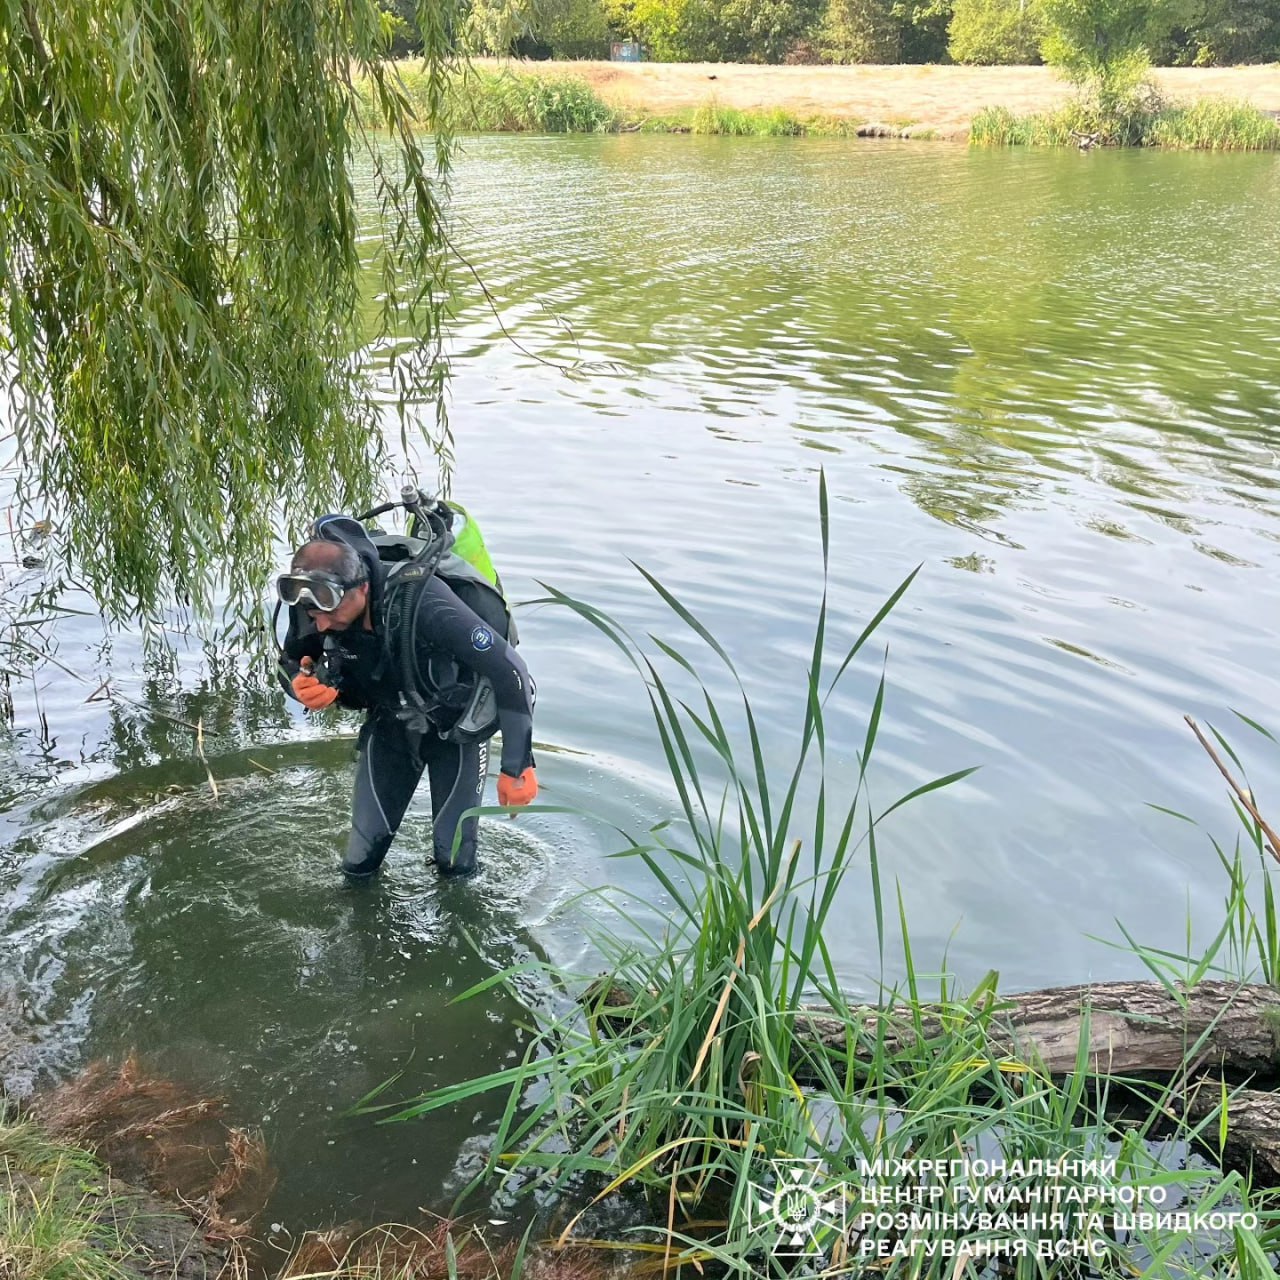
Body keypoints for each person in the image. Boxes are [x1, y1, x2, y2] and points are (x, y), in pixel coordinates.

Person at [276, 513, 537, 879]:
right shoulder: (314, 605)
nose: (319, 625)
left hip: (455, 733)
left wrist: (517, 765)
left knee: (456, 867)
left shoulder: (424, 602)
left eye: (329, 612)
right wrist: (300, 684)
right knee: (358, 866)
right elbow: (290, 661)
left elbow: (511, 671)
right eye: (310, 613)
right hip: (390, 726)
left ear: (362, 588)